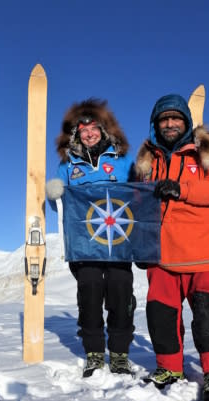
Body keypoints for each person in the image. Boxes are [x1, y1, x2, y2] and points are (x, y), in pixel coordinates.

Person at [134, 93, 209, 401]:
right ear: (156, 125)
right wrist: (141, 245)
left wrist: (182, 189)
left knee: (208, 315)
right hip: (162, 254)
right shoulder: (146, 162)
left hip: (204, 252)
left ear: (186, 122)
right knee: (160, 314)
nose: (169, 124)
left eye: (175, 118)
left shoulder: (207, 151)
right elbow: (137, 205)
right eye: (163, 119)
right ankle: (169, 368)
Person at [46, 98, 136, 377]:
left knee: (121, 292)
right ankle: (94, 353)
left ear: (103, 129)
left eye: (93, 128)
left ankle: (120, 354)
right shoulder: (67, 166)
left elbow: (138, 195)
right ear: (75, 135)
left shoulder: (123, 162)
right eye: (81, 130)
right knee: (90, 291)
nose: (88, 133)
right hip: (84, 244)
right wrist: (54, 194)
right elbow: (64, 207)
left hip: (118, 241)